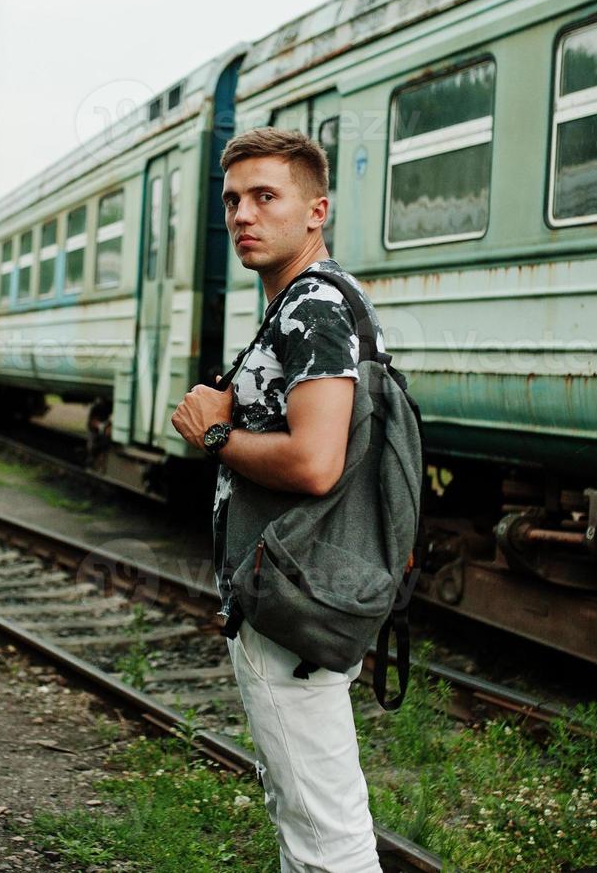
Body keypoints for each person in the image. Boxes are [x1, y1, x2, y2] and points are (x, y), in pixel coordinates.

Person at [171, 126, 386, 873]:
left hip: (292, 597)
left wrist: (216, 434)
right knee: (304, 809)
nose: (242, 215)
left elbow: (315, 461)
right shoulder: (310, 302)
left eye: (265, 196)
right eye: (232, 200)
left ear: (316, 209)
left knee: (325, 834)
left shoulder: (313, 309)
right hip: (297, 584)